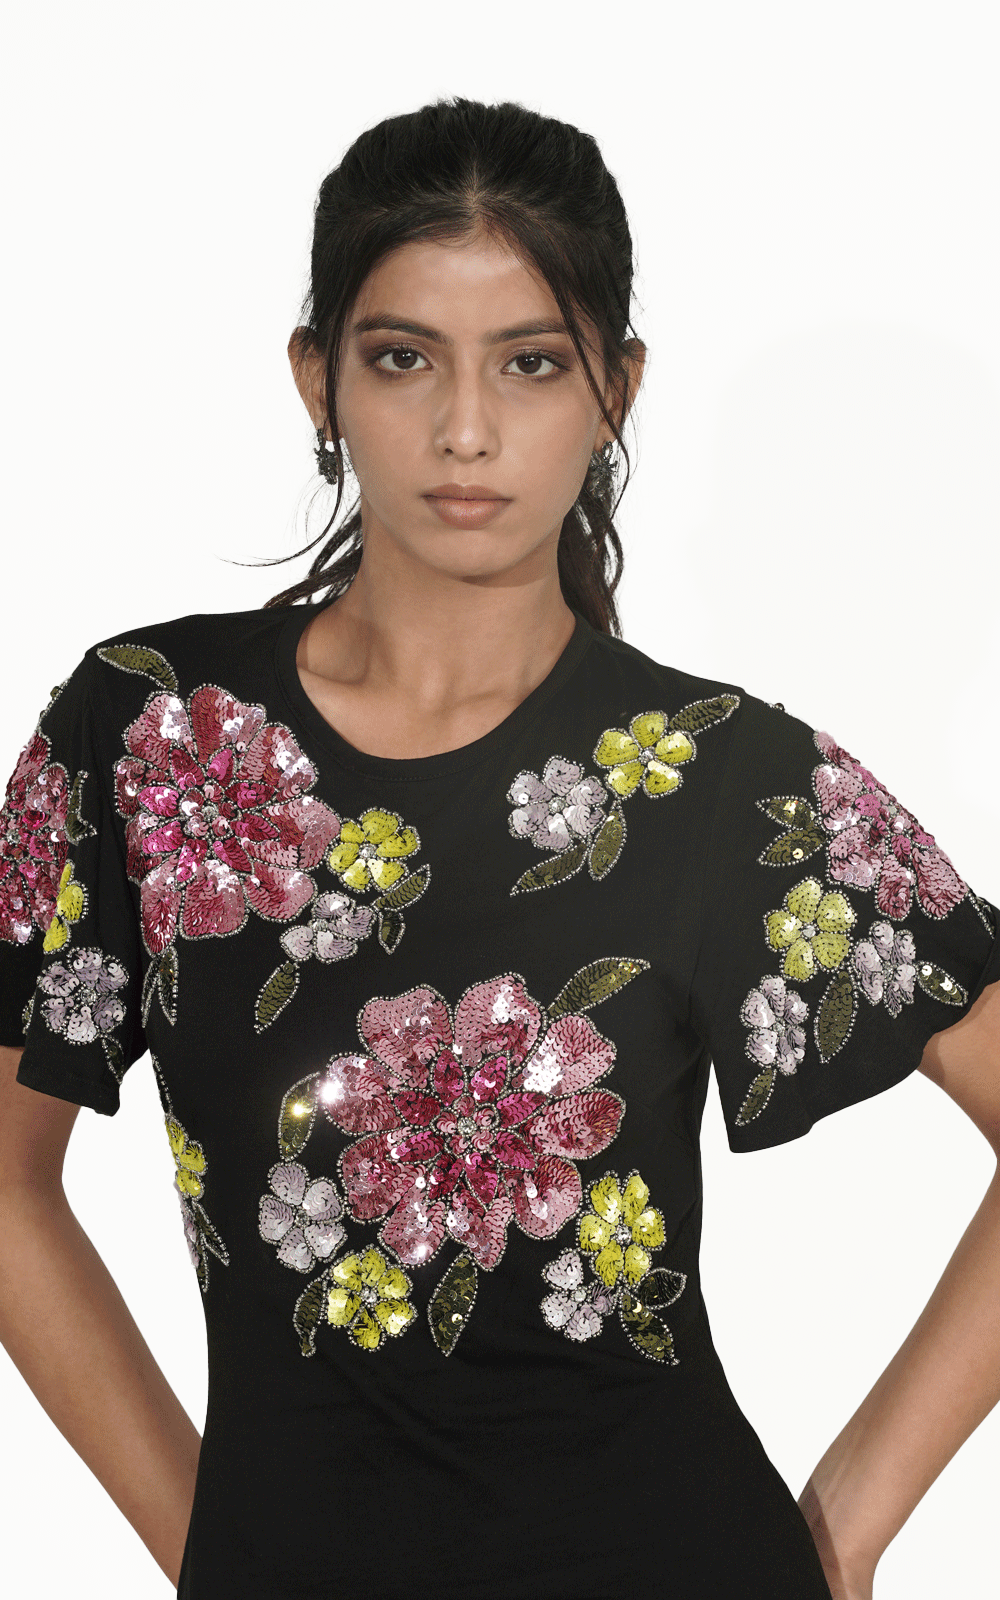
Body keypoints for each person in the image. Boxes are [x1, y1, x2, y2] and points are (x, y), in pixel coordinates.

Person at [0, 95, 998, 1600]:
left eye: (531, 363)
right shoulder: (153, 739)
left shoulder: (715, 777)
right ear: (318, 378)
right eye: (404, 357)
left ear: (615, 391)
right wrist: (207, 1546)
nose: (465, 430)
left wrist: (848, 1525)